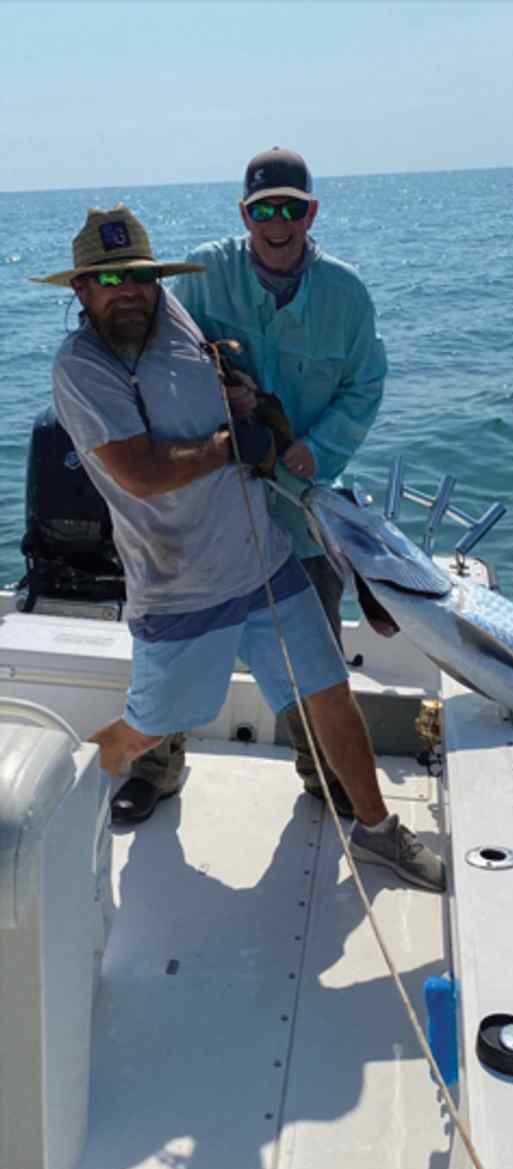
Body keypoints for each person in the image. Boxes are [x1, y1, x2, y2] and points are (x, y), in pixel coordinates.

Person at [31, 203, 445, 894]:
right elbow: (141, 472)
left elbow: (214, 387)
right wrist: (231, 447)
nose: (128, 291)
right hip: (180, 587)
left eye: (138, 276)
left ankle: (376, 832)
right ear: (81, 290)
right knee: (147, 727)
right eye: (109, 280)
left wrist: (242, 399)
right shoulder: (82, 366)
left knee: (329, 695)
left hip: (265, 563)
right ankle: (53, 806)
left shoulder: (175, 318)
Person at [169, 146, 387, 822]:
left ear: (311, 212)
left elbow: (365, 386)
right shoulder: (202, 275)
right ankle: (155, 764)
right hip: (212, 498)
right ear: (245, 214)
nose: (278, 221)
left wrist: (315, 453)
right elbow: (159, 360)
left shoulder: (346, 293)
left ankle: (322, 773)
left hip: (300, 502)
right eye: (264, 209)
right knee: (179, 640)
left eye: (291, 207)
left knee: (315, 654)